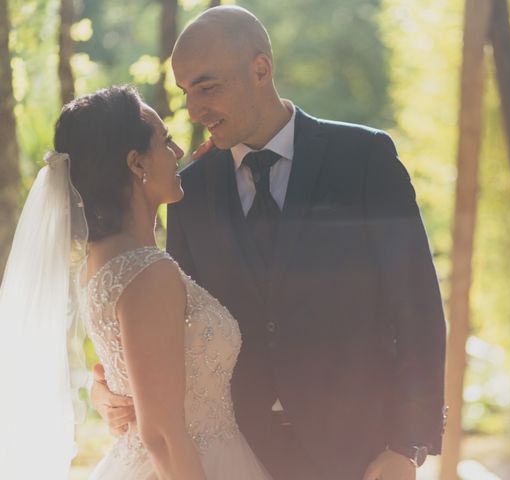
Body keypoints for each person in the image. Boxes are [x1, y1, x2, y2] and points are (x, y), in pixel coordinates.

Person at [92, 6, 447, 480]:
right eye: (185, 92)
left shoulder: (364, 159)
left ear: (261, 69)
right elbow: (170, 324)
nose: (194, 110)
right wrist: (108, 385)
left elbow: (418, 307)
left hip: (360, 455)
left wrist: (408, 445)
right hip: (239, 453)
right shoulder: (187, 193)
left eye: (208, 87)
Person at [0, 85, 272, 479]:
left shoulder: (99, 261)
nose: (178, 153)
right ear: (136, 163)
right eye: (165, 142)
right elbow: (161, 433)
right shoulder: (148, 272)